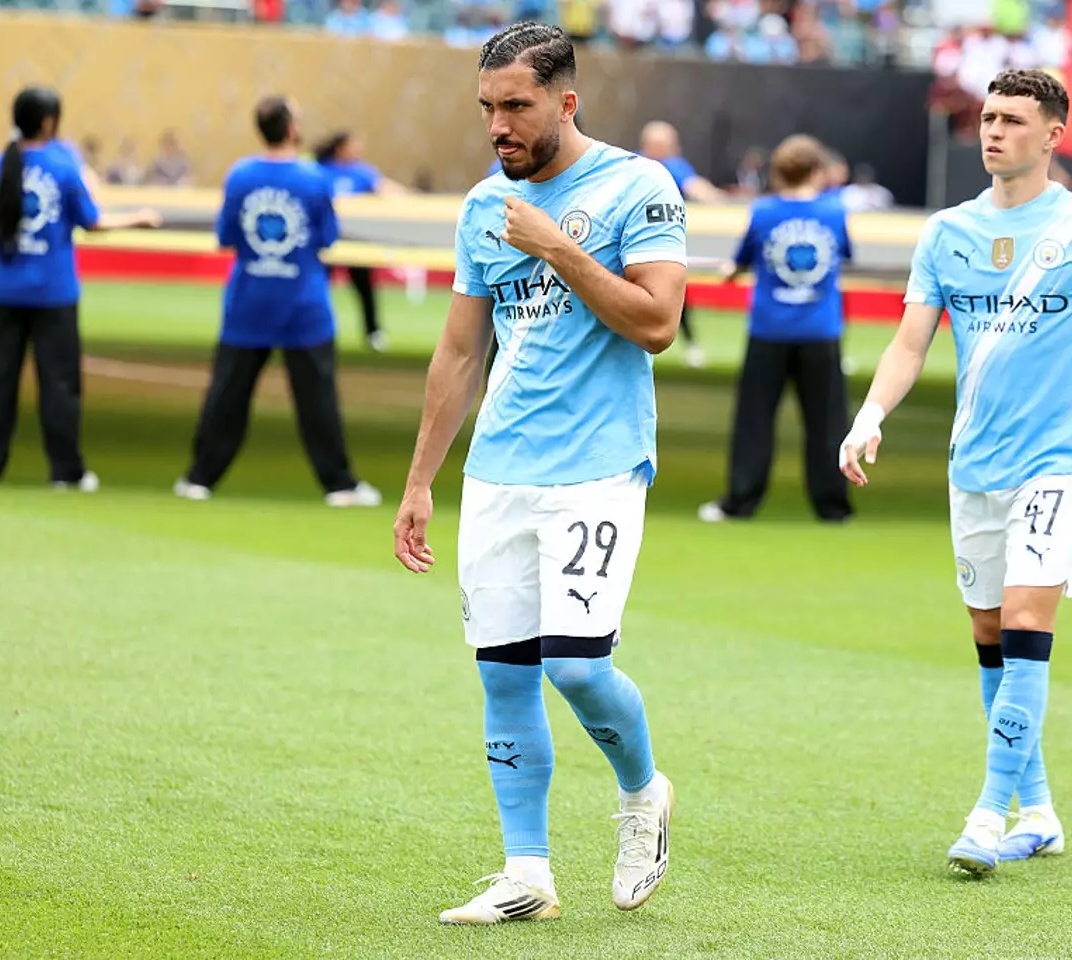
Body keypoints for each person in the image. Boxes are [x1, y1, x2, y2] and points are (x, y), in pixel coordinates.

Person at [838, 69, 1072, 878]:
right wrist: (870, 416)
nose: (993, 131)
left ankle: (986, 815)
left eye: (1012, 120)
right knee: (992, 639)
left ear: (1054, 135)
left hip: (1059, 462)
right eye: (988, 118)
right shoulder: (946, 233)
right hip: (977, 463)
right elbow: (908, 342)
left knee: (1030, 627)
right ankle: (1038, 812)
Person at [392, 22, 686, 925]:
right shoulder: (486, 205)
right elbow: (457, 350)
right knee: (506, 674)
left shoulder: (640, 186)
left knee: (578, 667)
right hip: (500, 472)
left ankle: (644, 796)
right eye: (486, 108)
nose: (498, 126)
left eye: (516, 106)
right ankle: (528, 874)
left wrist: (557, 244)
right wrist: (419, 480)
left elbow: (656, 323)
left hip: (597, 467)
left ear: (566, 100)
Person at [0, 86, 161, 491]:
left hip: (1, 292)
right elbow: (93, 222)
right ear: (50, 122)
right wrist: (137, 217)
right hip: (54, 295)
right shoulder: (64, 168)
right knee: (60, 386)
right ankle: (66, 472)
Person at [174, 96, 381, 509]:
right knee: (317, 401)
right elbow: (327, 239)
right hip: (304, 307)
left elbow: (226, 237)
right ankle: (338, 485)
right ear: (290, 128)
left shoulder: (240, 175)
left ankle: (199, 479)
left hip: (247, 302)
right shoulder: (313, 178)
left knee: (226, 397)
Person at [698, 134, 853, 524]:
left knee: (754, 421)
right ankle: (833, 507)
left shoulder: (763, 211)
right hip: (820, 331)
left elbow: (741, 261)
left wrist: (731, 272)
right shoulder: (835, 211)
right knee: (827, 423)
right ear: (818, 171)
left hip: (768, 330)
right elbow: (845, 253)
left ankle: (741, 501)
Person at [314, 130, 409, 352]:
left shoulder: (362, 172)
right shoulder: (320, 170)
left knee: (365, 287)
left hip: (356, 243)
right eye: (353, 145)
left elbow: (387, 189)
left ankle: (373, 332)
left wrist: (413, 199)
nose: (358, 149)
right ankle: (317, 331)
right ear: (340, 147)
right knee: (318, 287)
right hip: (326, 242)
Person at [639, 120, 723, 368]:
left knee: (674, 297)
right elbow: (699, 190)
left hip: (662, 248)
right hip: (638, 246)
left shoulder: (669, 166)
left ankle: (690, 345)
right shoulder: (647, 165)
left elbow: (698, 188)